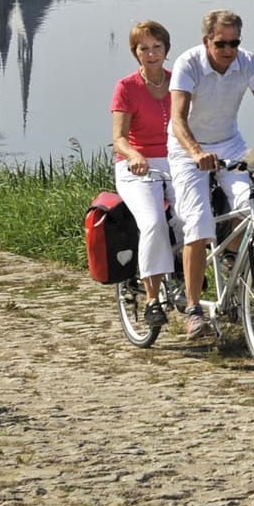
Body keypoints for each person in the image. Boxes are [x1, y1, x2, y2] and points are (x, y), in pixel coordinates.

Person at [169, 9, 254, 342]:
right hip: (187, 149)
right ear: (207, 41)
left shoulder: (247, 63)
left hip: (230, 145)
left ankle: (232, 264)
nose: (229, 50)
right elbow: (177, 119)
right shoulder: (188, 64)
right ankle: (193, 311)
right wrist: (196, 153)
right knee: (199, 223)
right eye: (221, 43)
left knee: (251, 206)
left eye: (234, 42)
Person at [110, 20, 176, 327]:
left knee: (194, 217)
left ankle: (189, 288)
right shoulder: (126, 88)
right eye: (144, 48)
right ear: (135, 53)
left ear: (166, 49)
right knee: (153, 221)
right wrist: (135, 156)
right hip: (137, 165)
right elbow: (119, 138)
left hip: (175, 162)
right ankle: (151, 299)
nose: (151, 54)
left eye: (157, 47)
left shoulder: (178, 83)